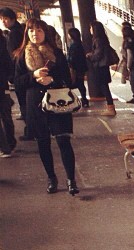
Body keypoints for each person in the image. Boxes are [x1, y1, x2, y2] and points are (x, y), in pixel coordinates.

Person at [14, 18, 79, 194]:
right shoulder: (21, 56)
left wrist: (53, 79)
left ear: (46, 33)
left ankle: (71, 180)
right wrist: (34, 76)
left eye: (39, 30)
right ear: (27, 33)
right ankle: (51, 178)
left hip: (58, 102)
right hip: (35, 104)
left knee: (63, 141)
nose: (35, 34)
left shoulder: (57, 53)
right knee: (43, 143)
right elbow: (17, 83)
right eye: (32, 31)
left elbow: (68, 79)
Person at [0, 7, 28, 137]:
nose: (3, 21)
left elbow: (12, 56)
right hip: (23, 70)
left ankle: (31, 130)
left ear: (12, 18)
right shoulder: (20, 30)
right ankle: (32, 129)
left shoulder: (14, 33)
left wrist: (11, 75)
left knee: (24, 101)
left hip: (19, 71)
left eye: (5, 18)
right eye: (1, 19)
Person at [86, 21, 117, 117]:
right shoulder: (103, 39)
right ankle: (110, 107)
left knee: (104, 87)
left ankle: (111, 108)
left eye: (91, 28)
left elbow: (98, 54)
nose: (90, 30)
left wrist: (90, 55)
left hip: (101, 66)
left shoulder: (98, 40)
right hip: (104, 66)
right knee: (104, 86)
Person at [0, 29, 16, 156]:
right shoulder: (3, 42)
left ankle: (4, 147)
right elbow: (8, 64)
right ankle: (10, 143)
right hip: (2, 83)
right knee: (6, 114)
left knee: (5, 115)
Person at [66, 27, 88, 107]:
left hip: (74, 68)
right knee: (81, 84)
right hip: (81, 68)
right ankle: (84, 100)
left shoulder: (73, 45)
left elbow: (71, 58)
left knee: (71, 84)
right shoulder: (80, 44)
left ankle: (72, 101)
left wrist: (68, 62)